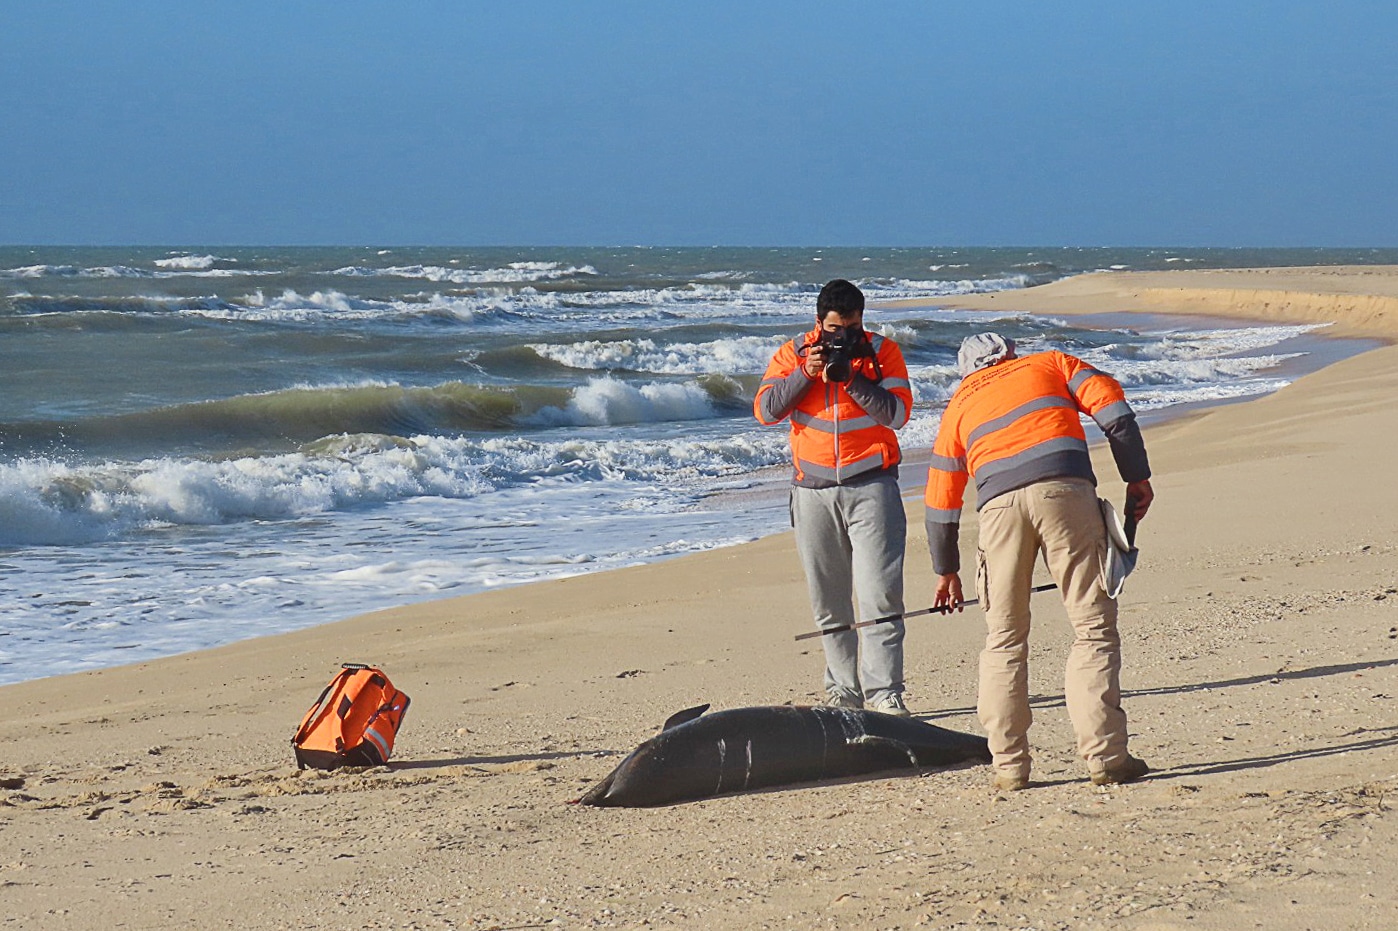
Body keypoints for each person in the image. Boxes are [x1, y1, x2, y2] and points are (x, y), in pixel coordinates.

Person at [925, 332, 1154, 789]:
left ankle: (1010, 768)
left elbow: (941, 498)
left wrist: (946, 570)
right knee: (1092, 628)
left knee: (1004, 639)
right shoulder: (1051, 363)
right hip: (1065, 492)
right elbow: (1116, 413)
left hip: (998, 511)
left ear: (966, 372)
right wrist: (1137, 478)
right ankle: (1106, 757)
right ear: (1011, 353)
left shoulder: (958, 406)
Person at [755, 279, 915, 715]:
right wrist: (806, 373)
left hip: (873, 484)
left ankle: (885, 694)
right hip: (812, 491)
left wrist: (854, 380)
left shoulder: (882, 352)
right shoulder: (794, 352)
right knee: (829, 598)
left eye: (851, 327)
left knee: (880, 595)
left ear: (862, 321)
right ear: (818, 323)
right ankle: (843, 690)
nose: (841, 336)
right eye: (833, 328)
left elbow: (899, 414)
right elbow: (766, 411)